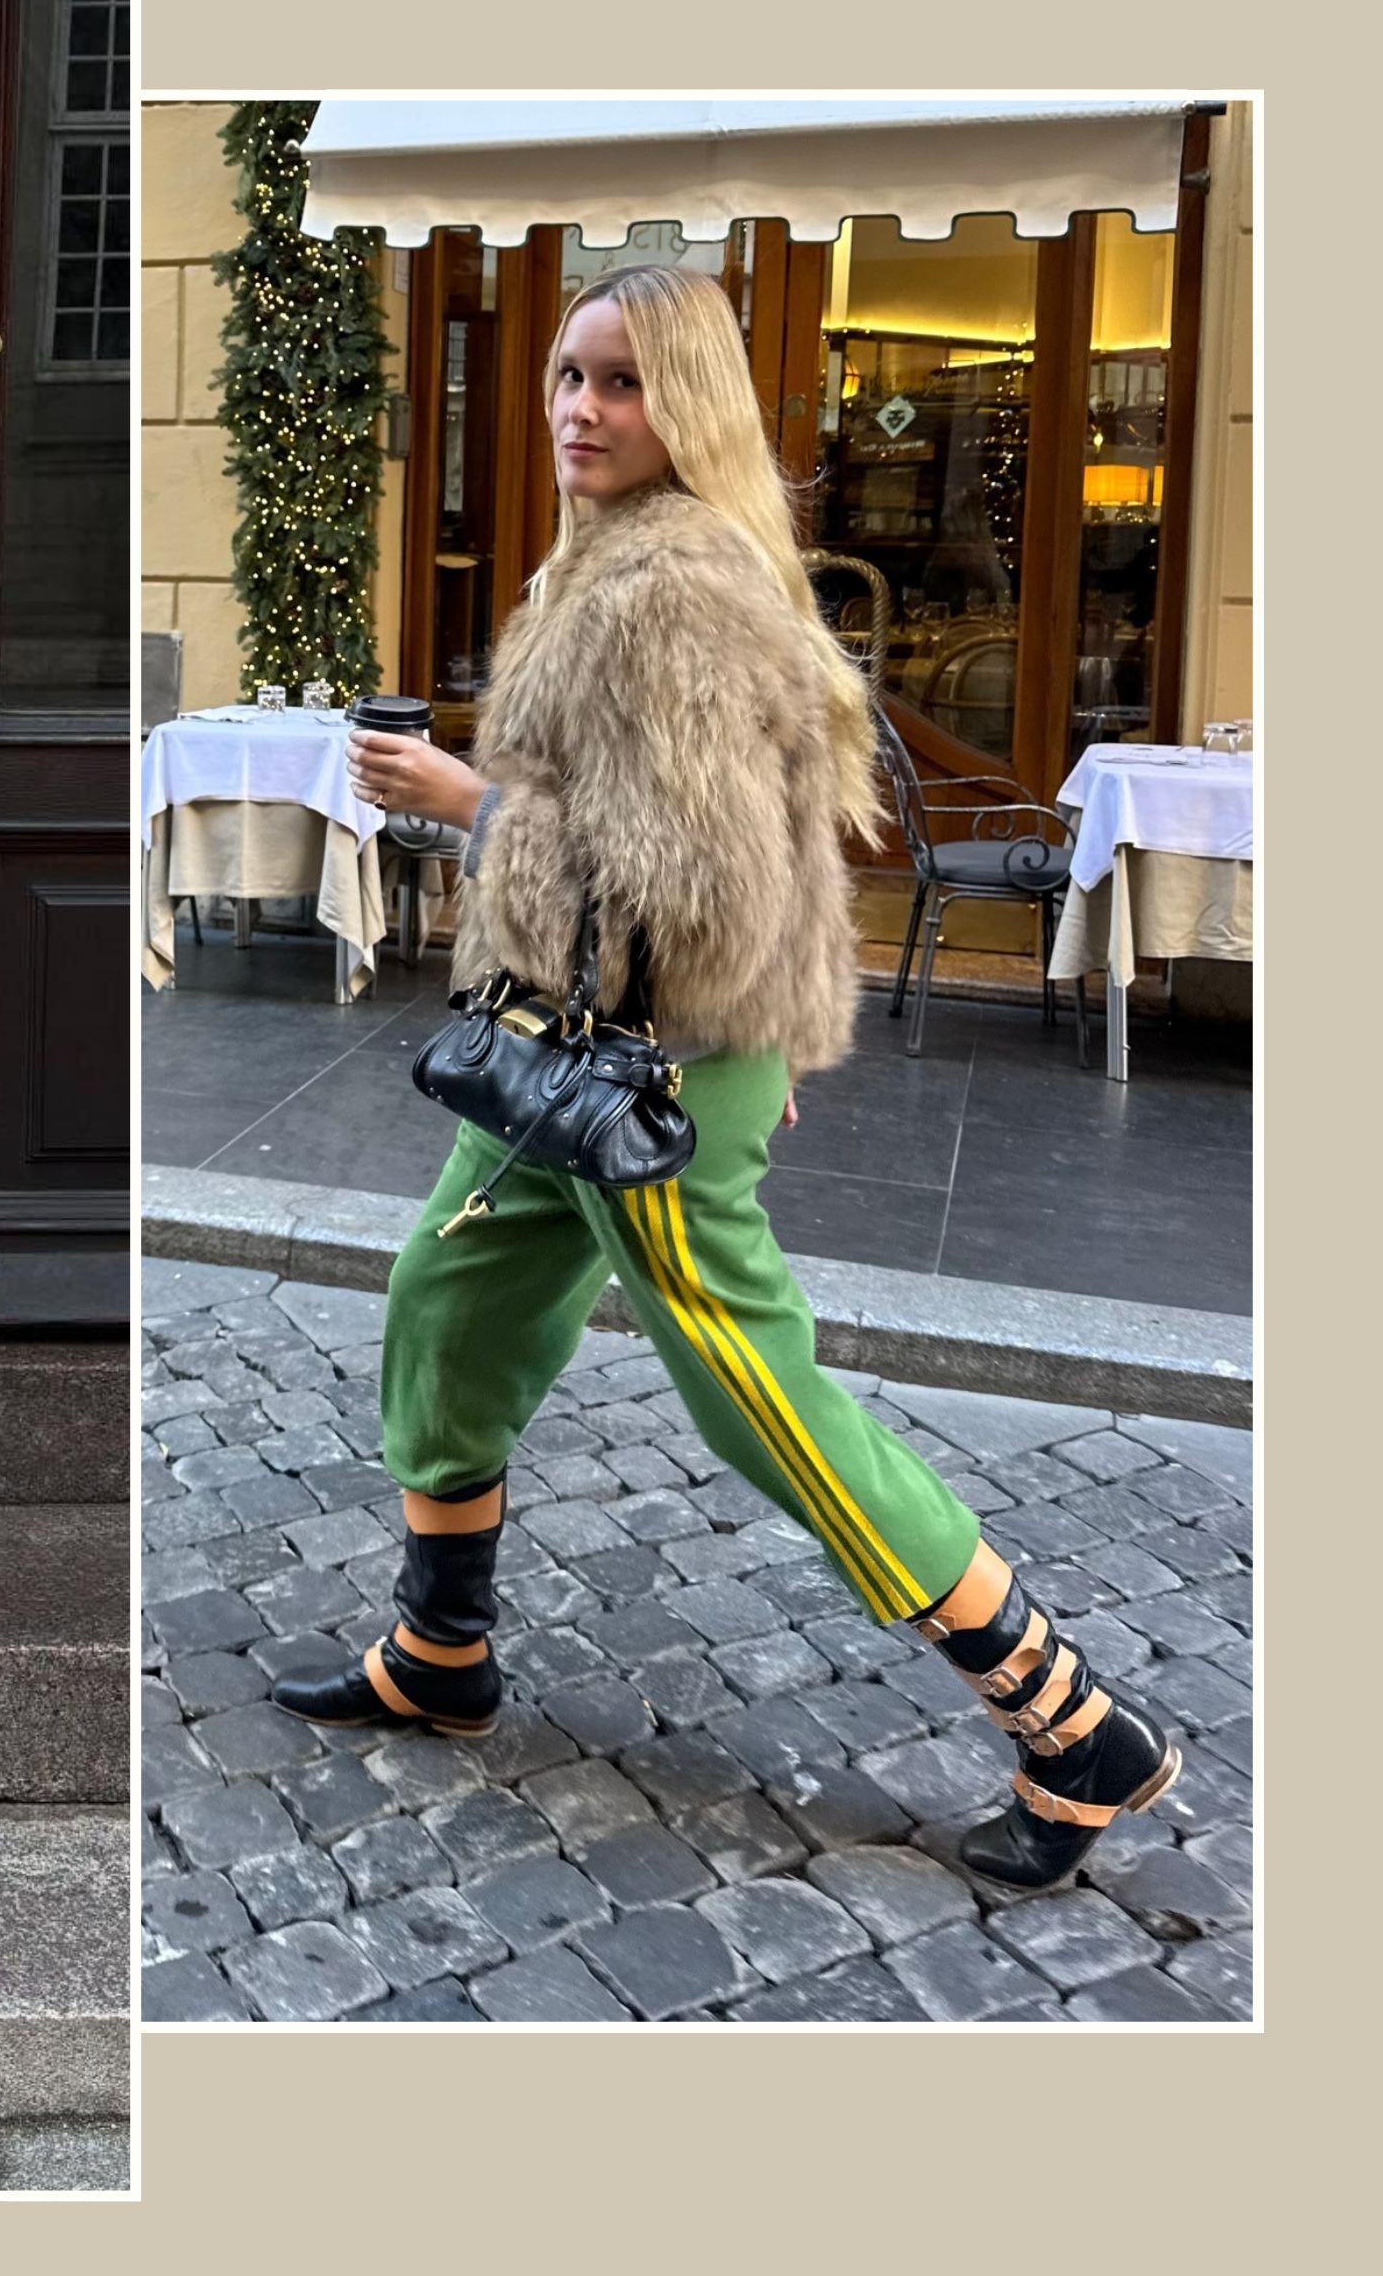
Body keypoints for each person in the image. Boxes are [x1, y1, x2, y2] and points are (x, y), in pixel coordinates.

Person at [291, 263, 1178, 1896]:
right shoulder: (608, 560)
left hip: (662, 1073)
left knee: (758, 1398)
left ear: (684, 401)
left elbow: (694, 887)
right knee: (446, 1296)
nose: (577, 408)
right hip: (565, 1049)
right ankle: (442, 1653)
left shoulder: (674, 585)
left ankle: (1074, 1724)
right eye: (565, 375)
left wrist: (467, 801)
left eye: (619, 382)